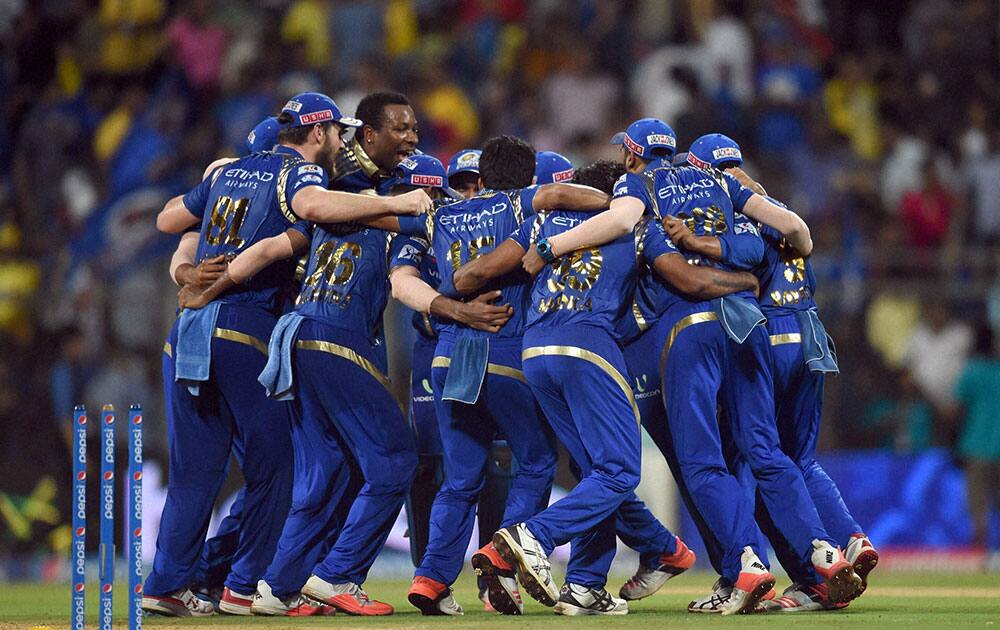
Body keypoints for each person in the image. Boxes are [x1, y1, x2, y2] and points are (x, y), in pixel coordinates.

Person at [520, 118, 862, 613]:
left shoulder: (637, 193)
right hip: (747, 326)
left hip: (683, 336)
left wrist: (551, 246)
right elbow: (793, 231)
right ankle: (821, 554)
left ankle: (744, 565)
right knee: (764, 451)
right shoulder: (723, 183)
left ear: (632, 155)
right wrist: (730, 259)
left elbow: (620, 224)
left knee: (700, 465)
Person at [143, 92, 430, 618]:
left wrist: (191, 278)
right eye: (336, 134)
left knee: (194, 471)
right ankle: (245, 585)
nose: (339, 144)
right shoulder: (301, 178)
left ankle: (168, 586)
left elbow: (169, 222)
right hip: (248, 327)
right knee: (277, 467)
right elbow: (285, 237)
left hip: (187, 331)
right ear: (318, 133)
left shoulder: (226, 174)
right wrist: (396, 203)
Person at [452, 158, 756, 614]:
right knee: (618, 472)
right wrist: (746, 279)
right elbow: (687, 278)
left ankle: (586, 585)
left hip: (534, 351)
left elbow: (470, 275)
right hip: (589, 345)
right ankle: (532, 536)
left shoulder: (543, 220)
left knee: (597, 473)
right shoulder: (636, 223)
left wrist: (451, 302)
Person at [670, 133, 878, 612]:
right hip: (811, 329)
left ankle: (811, 555)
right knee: (800, 457)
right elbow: (804, 238)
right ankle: (851, 539)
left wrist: (693, 241)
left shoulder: (729, 214)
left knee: (758, 452)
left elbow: (736, 267)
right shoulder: (772, 205)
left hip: (766, 332)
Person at [406, 135, 609, 616]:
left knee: (459, 480)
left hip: (448, 353)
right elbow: (562, 196)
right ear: (528, 173)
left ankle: (431, 578)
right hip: (505, 348)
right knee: (537, 461)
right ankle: (501, 559)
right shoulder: (524, 205)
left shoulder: (440, 213)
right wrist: (619, 202)